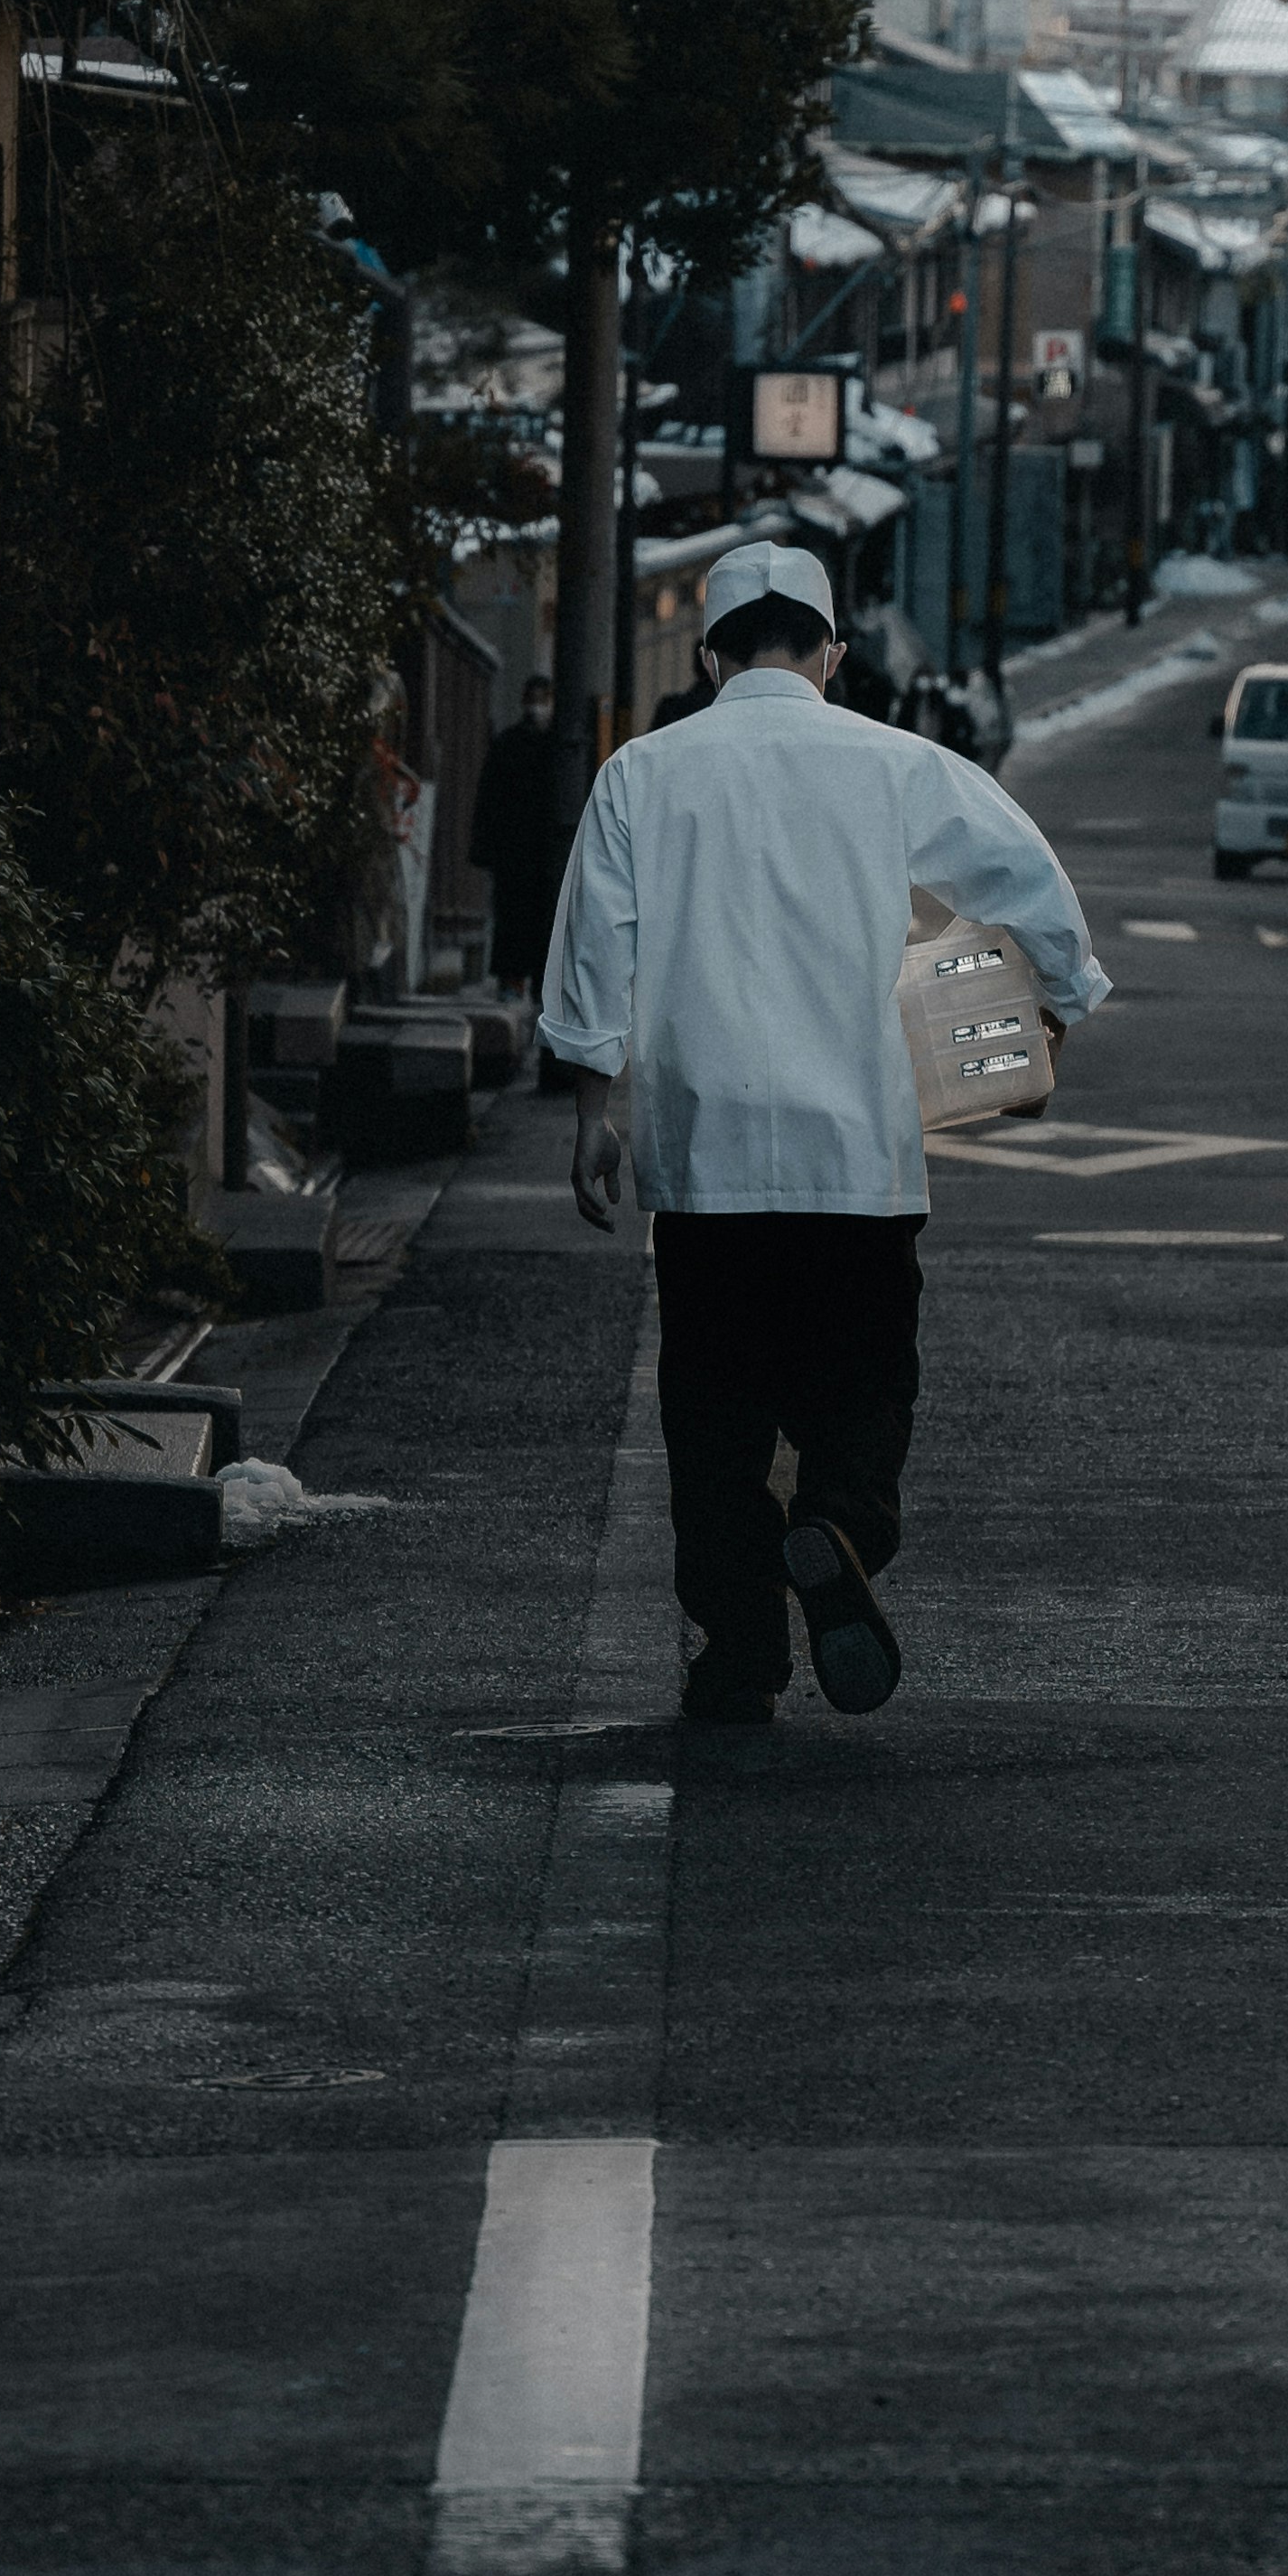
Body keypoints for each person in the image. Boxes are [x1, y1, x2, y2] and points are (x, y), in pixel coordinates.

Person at [541, 539, 1109, 1728]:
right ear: (834, 654)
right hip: (860, 1151)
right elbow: (1030, 886)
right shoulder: (901, 767)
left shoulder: (644, 773)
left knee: (715, 1414)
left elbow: (596, 942)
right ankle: (837, 1529)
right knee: (861, 1387)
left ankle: (741, 1649)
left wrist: (596, 1112)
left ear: (704, 657)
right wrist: (1056, 1005)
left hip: (706, 1163)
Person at [466, 674, 565, 996]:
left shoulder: (508, 743)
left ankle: (514, 985)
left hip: (513, 854)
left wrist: (484, 848)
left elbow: (488, 799)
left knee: (512, 925)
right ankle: (533, 987)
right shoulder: (558, 747)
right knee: (538, 923)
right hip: (539, 854)